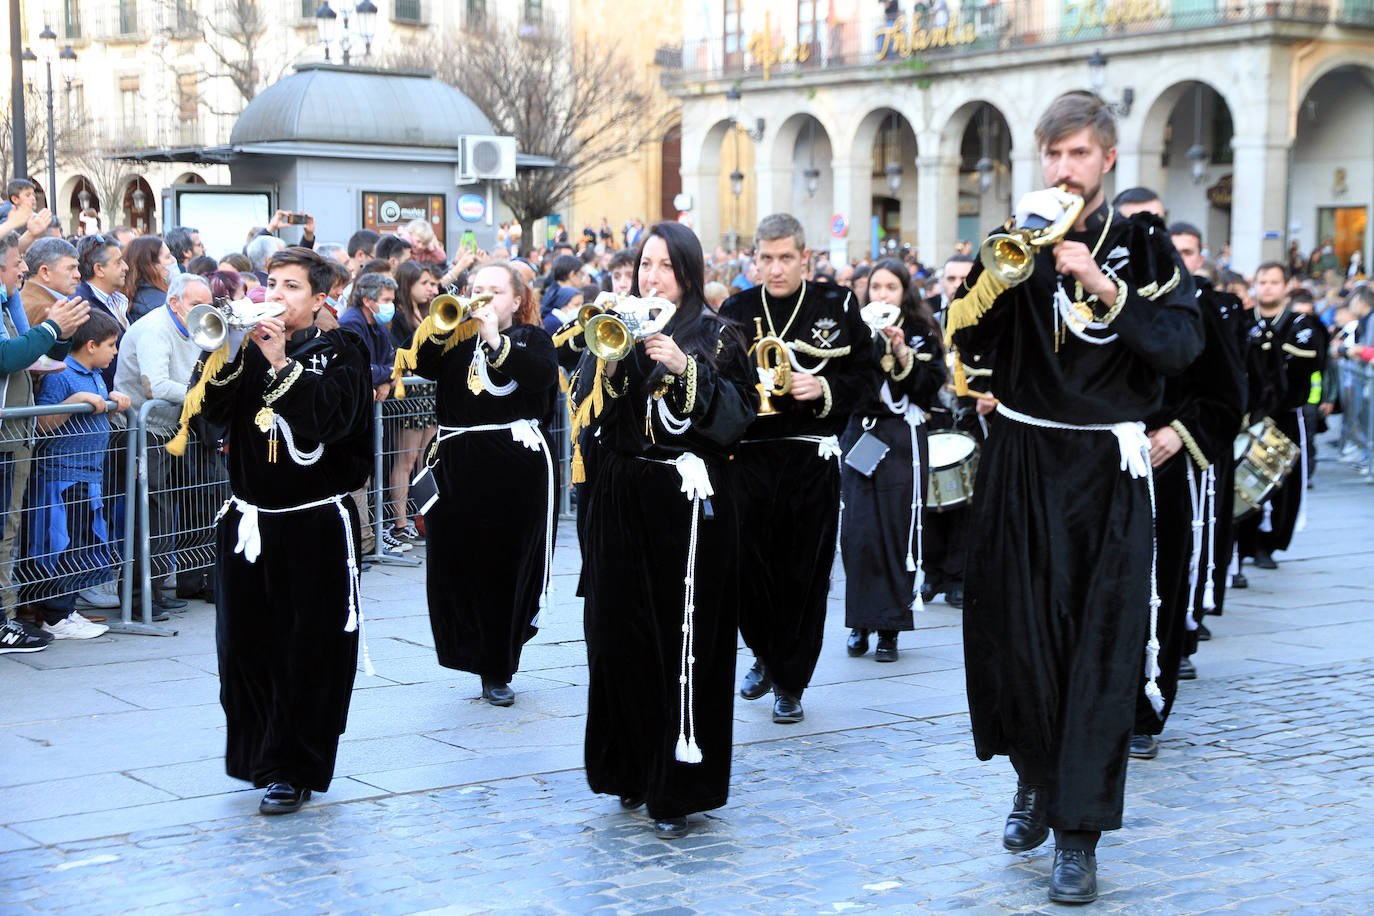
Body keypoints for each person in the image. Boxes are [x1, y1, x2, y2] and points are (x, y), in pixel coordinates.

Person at [948, 91, 1202, 904]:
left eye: (1079, 155)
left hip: (1105, 474)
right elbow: (966, 341)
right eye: (1053, 155)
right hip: (1023, 458)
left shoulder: (1145, 245)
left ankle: (1078, 837)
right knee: (1014, 637)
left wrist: (1094, 278)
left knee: (1097, 652)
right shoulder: (1014, 237)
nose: (1064, 169)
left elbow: (1181, 347)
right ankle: (1031, 776)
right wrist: (997, 268)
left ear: (1108, 160)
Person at [574, 221, 757, 839]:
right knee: (616, 634)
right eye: (644, 264)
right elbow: (587, 412)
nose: (650, 276)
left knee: (683, 641)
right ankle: (627, 767)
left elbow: (737, 420)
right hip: (623, 495)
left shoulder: (722, 334)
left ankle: (680, 786)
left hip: (686, 506)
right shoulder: (619, 327)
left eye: (664, 266)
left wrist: (686, 368)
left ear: (688, 272)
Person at [191, 246, 373, 815]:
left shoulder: (342, 350)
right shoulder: (243, 346)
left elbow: (333, 421)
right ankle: (258, 754)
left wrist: (281, 365)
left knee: (309, 651)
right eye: (272, 282)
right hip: (249, 522)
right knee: (243, 647)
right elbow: (208, 417)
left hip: (313, 526)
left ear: (321, 299)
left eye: (292, 286)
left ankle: (294, 769)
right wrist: (224, 352)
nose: (276, 294)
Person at [720, 213, 878, 725]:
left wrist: (823, 389)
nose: (775, 268)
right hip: (749, 459)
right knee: (746, 570)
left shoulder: (837, 302)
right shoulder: (737, 307)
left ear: (804, 258)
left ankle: (791, 681)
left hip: (810, 456)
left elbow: (866, 373)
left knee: (802, 575)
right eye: (765, 258)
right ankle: (764, 651)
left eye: (785, 257)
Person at [1112, 195, 1245, 759]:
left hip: (1163, 471)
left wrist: (1177, 434)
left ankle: (1146, 709)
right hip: (1096, 465)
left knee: (1157, 592)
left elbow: (1227, 397)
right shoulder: (1091, 295)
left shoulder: (1201, 309)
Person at [397, 261, 557, 706]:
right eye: (477, 289)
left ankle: (497, 665)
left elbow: (540, 376)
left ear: (517, 300)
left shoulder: (532, 338)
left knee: (504, 568)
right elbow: (421, 362)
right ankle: (467, 650)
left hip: (513, 468)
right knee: (455, 566)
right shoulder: (454, 339)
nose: (484, 298)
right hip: (456, 464)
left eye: (495, 291)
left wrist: (493, 338)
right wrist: (441, 323)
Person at [840, 257, 945, 662]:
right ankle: (859, 622)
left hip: (901, 436)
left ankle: (890, 629)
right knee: (858, 532)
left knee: (895, 531)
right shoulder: (854, 331)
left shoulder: (921, 332)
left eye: (891, 288)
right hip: (861, 435)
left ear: (905, 293)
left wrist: (901, 350)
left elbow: (931, 383)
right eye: (876, 288)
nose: (882, 295)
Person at [0, 231, 89, 653]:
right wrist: (54, 324)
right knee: (6, 529)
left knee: (7, 527)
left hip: (12, 436)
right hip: (7, 432)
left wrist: (62, 333)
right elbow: (8, 356)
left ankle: (6, 617)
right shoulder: (18, 300)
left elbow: (44, 361)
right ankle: (6, 618)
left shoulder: (13, 302)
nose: (22, 268)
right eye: (16, 261)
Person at [115, 271, 222, 611]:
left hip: (177, 426)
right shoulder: (155, 329)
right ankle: (138, 597)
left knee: (200, 498)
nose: (202, 310)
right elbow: (156, 387)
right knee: (153, 511)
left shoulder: (195, 327)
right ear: (174, 302)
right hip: (144, 430)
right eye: (195, 303)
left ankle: (187, 581)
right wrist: (203, 395)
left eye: (207, 303)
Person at [27, 310, 131, 639]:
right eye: (111, 345)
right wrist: (74, 401)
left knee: (80, 545)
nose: (115, 352)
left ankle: (67, 608)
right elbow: (42, 423)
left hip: (89, 475)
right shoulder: (61, 374)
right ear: (90, 345)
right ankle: (55, 615)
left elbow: (96, 403)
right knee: (60, 545)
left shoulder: (95, 374)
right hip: (62, 477)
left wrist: (110, 398)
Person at [1234, 262, 1326, 572]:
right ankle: (1240, 544)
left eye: (1275, 282)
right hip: (1249, 418)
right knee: (1243, 481)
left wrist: (1273, 349)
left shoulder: (1301, 324)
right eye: (1263, 281)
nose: (1268, 287)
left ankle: (1268, 544)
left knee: (1286, 484)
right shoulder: (1244, 321)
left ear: (1286, 286)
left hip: (1286, 416)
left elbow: (1310, 360)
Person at [921, 254, 979, 608]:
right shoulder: (926, 313)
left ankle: (958, 576)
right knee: (930, 501)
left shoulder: (983, 309)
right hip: (932, 412)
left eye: (963, 278)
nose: (956, 284)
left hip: (972, 414)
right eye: (951, 277)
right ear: (941, 281)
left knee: (964, 500)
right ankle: (932, 575)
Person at [338, 271, 398, 557]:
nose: (391, 305)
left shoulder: (378, 326)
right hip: (353, 410)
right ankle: (361, 540)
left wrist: (384, 378)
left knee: (368, 476)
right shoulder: (351, 322)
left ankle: (368, 537)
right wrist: (383, 376)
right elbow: (359, 367)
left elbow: (390, 361)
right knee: (357, 479)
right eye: (385, 300)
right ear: (367, 300)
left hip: (367, 406)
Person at [123, 236, 178, 323]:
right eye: (167, 257)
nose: (174, 260)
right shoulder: (157, 303)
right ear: (151, 266)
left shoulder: (134, 295)